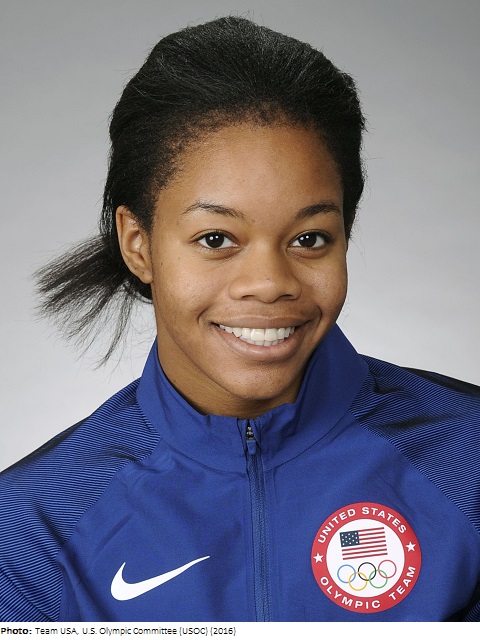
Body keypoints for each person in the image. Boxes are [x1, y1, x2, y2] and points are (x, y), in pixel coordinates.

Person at [0, 15, 479, 623]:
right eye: (216, 238)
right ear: (138, 244)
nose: (271, 283)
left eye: (309, 238)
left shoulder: (468, 458)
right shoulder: (31, 525)